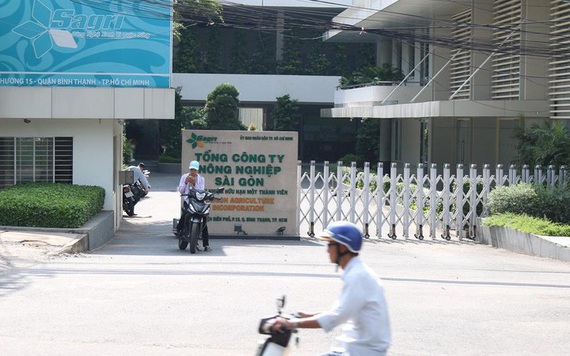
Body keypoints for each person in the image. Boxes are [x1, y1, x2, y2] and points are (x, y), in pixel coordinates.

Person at [272, 221, 391, 356]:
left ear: (342, 247)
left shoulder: (358, 276)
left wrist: (291, 324)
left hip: (362, 352)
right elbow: (342, 311)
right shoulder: (357, 272)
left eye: (330, 244)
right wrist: (308, 316)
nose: (327, 249)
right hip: (357, 349)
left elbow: (334, 318)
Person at [174, 160, 211, 251]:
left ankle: (206, 244)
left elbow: (201, 190)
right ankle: (179, 229)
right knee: (186, 213)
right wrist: (186, 182)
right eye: (191, 170)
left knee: (203, 218)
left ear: (197, 170)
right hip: (188, 200)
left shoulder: (201, 179)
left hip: (198, 202)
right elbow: (181, 190)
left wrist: (194, 183)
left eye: (194, 170)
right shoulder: (184, 177)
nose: (193, 172)